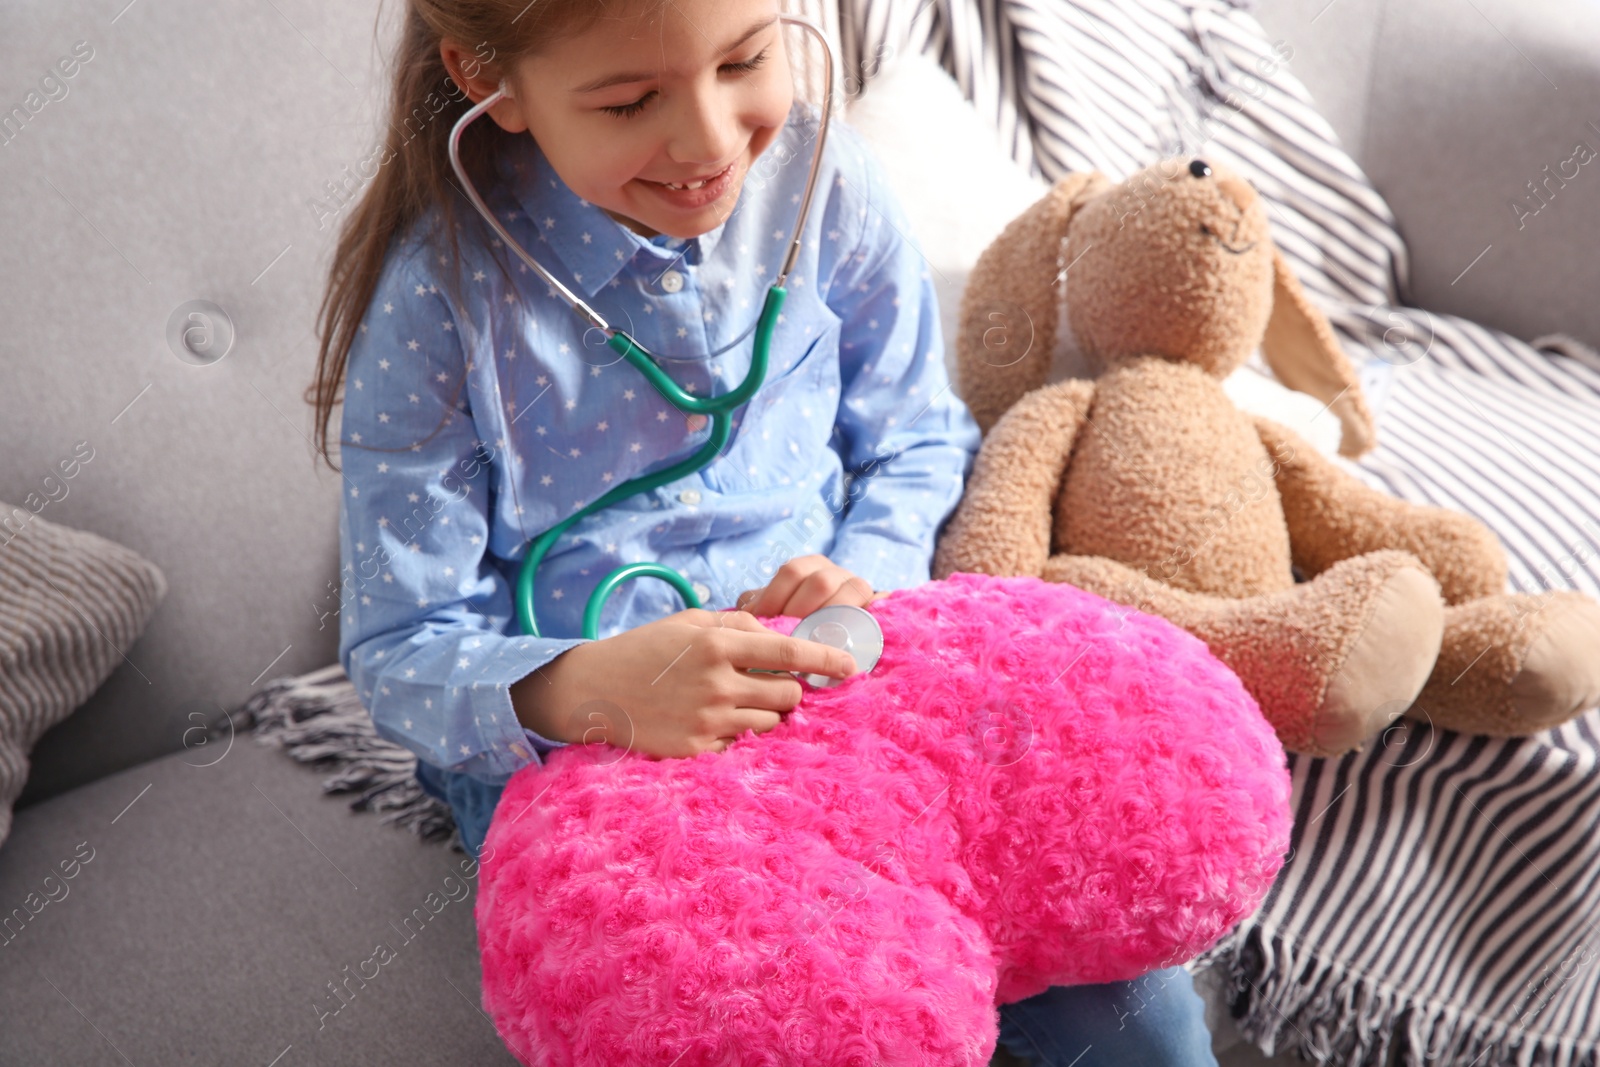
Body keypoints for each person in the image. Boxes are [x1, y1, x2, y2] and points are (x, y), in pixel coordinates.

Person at [307, 1, 1218, 1063]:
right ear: (485, 80)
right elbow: (398, 647)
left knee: (1138, 1013)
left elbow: (917, 440)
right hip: (591, 737)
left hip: (843, 665)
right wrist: (592, 690)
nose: (706, 140)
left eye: (744, 58)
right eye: (628, 99)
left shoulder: (824, 181)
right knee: (769, 1004)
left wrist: (863, 579)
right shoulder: (437, 302)